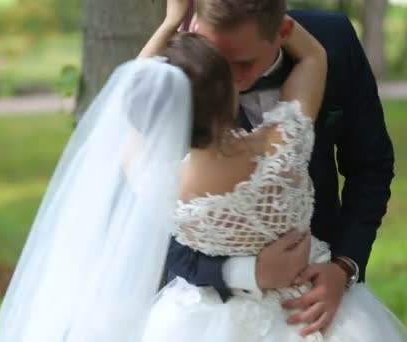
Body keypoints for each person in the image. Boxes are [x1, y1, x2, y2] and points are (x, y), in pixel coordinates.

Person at [149, 0, 395, 337]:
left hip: (316, 305)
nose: (230, 82)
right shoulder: (185, 70)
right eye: (219, 62)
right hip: (211, 312)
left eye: (244, 64)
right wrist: (246, 272)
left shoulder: (335, 40)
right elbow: (150, 232)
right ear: (195, 30)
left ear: (283, 32)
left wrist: (344, 267)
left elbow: (371, 166)